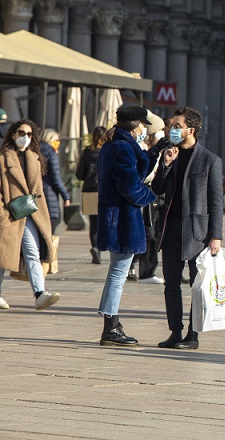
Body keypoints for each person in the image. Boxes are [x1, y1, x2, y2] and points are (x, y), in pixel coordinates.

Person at [152, 106, 223, 350]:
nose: (172, 129)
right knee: (171, 283)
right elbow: (158, 188)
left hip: (197, 233)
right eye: (172, 126)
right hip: (170, 229)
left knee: (197, 285)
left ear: (190, 130)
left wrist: (216, 236)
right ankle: (175, 332)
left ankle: (193, 335)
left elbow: (216, 202)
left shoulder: (210, 160)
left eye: (177, 126)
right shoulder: (169, 154)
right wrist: (166, 164)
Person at [96, 106, 155, 346]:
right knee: (118, 274)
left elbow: (134, 174)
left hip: (116, 218)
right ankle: (110, 327)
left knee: (116, 273)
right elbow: (130, 187)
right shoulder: (123, 148)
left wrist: (155, 153)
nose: (144, 130)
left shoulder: (114, 146)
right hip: (122, 220)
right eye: (143, 125)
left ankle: (111, 323)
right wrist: (150, 196)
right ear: (133, 126)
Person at [0, 119, 60, 311]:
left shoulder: (35, 157)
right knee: (2, 257)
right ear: (13, 134)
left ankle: (40, 294)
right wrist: (2, 211)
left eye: (29, 134)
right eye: (21, 133)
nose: (25, 137)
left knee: (32, 253)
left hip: (29, 212)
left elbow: (38, 189)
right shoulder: (3, 158)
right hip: (9, 213)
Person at [127, 110, 166, 284]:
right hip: (144, 194)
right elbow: (145, 174)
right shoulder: (140, 148)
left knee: (152, 234)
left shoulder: (149, 149)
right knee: (148, 234)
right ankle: (144, 270)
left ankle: (142, 269)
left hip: (152, 196)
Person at [76, 126, 107, 264]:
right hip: (104, 189)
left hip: (88, 190)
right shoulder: (107, 151)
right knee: (105, 220)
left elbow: (79, 174)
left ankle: (95, 247)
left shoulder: (86, 152)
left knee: (93, 222)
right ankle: (101, 245)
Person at [40, 128, 71, 234]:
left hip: (37, 192)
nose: (58, 143)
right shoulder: (50, 153)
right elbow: (56, 178)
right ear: (49, 139)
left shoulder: (34, 150)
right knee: (51, 226)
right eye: (56, 140)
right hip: (49, 193)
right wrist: (65, 195)